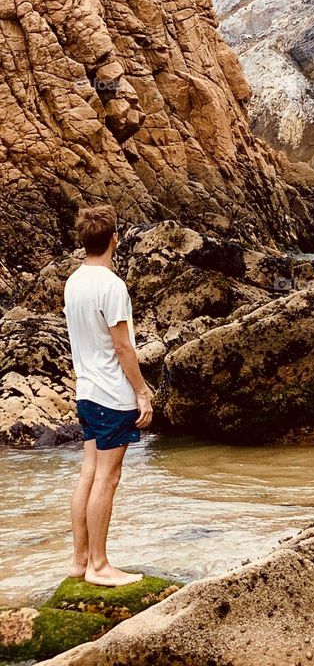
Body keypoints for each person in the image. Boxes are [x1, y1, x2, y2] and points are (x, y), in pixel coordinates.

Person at [63, 205, 153, 587]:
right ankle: (99, 565)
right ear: (114, 239)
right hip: (111, 394)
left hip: (85, 389)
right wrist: (142, 392)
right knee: (108, 477)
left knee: (88, 472)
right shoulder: (111, 285)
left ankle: (80, 560)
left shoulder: (74, 281)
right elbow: (122, 347)